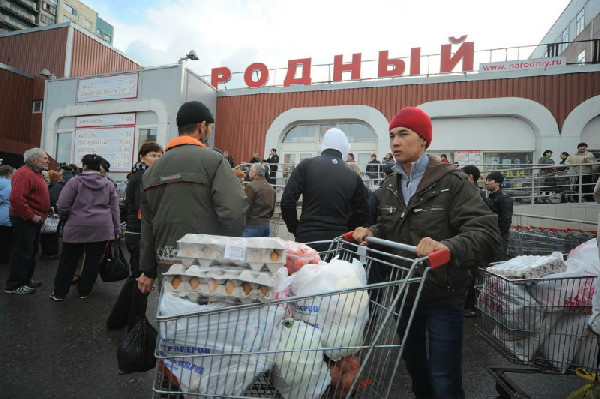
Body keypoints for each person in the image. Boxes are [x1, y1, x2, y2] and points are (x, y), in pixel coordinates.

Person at [353, 107, 500, 399]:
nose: (395, 141)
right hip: (405, 291)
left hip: (443, 293)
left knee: (444, 377)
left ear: (423, 140)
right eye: (392, 135)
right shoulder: (389, 184)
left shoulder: (452, 182)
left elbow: (487, 234)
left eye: (403, 134)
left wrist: (446, 246)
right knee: (414, 366)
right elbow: (389, 225)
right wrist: (373, 232)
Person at [136, 101, 247, 295]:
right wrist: (228, 249)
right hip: (206, 261)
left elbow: (147, 223)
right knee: (204, 320)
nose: (210, 133)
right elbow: (234, 211)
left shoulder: (151, 171)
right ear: (202, 126)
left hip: (167, 261)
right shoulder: (214, 161)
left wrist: (148, 269)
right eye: (210, 128)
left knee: (172, 315)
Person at [281, 128, 368, 252]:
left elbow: (287, 201)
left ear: (324, 145)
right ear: (344, 147)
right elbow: (362, 213)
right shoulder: (353, 175)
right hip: (339, 241)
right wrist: (347, 230)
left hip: (308, 238)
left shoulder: (306, 166)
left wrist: (296, 228)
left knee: (305, 271)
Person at [50, 154, 120, 301]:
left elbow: (62, 204)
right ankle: (84, 290)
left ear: (84, 166)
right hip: (101, 227)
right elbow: (115, 209)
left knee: (68, 259)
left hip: (76, 225)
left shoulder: (75, 181)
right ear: (100, 167)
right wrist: (116, 229)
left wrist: (67, 216)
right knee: (93, 260)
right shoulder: (108, 184)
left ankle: (59, 293)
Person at [4, 148, 51, 294]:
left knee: (31, 252)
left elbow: (34, 196)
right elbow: (17, 198)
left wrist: (46, 208)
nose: (47, 161)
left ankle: (24, 280)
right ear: (33, 160)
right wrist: (31, 216)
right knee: (22, 252)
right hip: (26, 219)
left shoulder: (35, 173)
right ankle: (14, 286)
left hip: (33, 219)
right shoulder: (24, 173)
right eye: (44, 158)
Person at [461, 165, 486, 318]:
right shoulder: (473, 192)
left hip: (474, 240)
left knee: (472, 275)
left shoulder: (476, 194)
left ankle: (471, 306)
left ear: (470, 177)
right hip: (471, 239)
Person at [484, 171, 513, 262]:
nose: (486, 183)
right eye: (486, 180)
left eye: (489, 180)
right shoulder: (490, 197)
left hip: (498, 236)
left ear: (498, 183)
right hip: (489, 234)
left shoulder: (504, 198)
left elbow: (506, 220)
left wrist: (498, 235)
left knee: (498, 261)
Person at [243, 163, 276, 237]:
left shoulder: (251, 186)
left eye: (250, 170)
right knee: (262, 248)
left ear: (255, 173)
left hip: (252, 225)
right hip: (266, 226)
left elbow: (244, 207)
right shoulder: (271, 188)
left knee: (248, 248)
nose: (248, 172)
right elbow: (272, 209)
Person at [39, 170, 64, 260]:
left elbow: (53, 199)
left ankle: (50, 253)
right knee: (49, 232)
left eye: (46, 177)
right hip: (52, 212)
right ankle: (48, 252)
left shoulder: (54, 187)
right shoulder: (56, 186)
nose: (44, 179)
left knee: (50, 232)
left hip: (52, 213)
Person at [0, 165, 15, 264]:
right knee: (6, 239)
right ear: (8, 174)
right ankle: (4, 258)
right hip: (6, 215)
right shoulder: (10, 184)